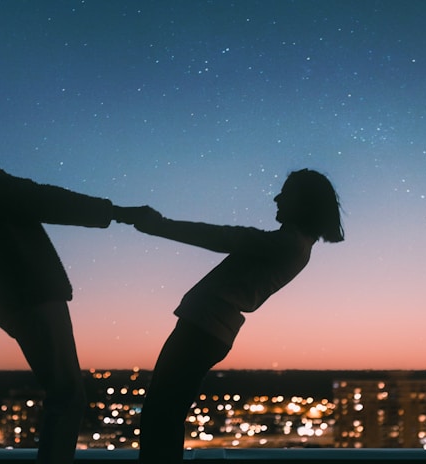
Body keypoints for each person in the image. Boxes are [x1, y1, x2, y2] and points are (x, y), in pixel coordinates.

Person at [0, 70, 144, 464]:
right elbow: (31, 197)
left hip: (18, 286)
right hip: (23, 286)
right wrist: (113, 212)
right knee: (67, 394)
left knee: (66, 392)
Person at [131, 169, 344, 463]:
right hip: (210, 328)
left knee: (161, 413)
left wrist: (160, 226)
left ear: (305, 202)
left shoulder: (289, 244)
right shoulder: (293, 245)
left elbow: (223, 237)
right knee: (165, 412)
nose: (277, 198)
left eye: (286, 193)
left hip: (204, 327)